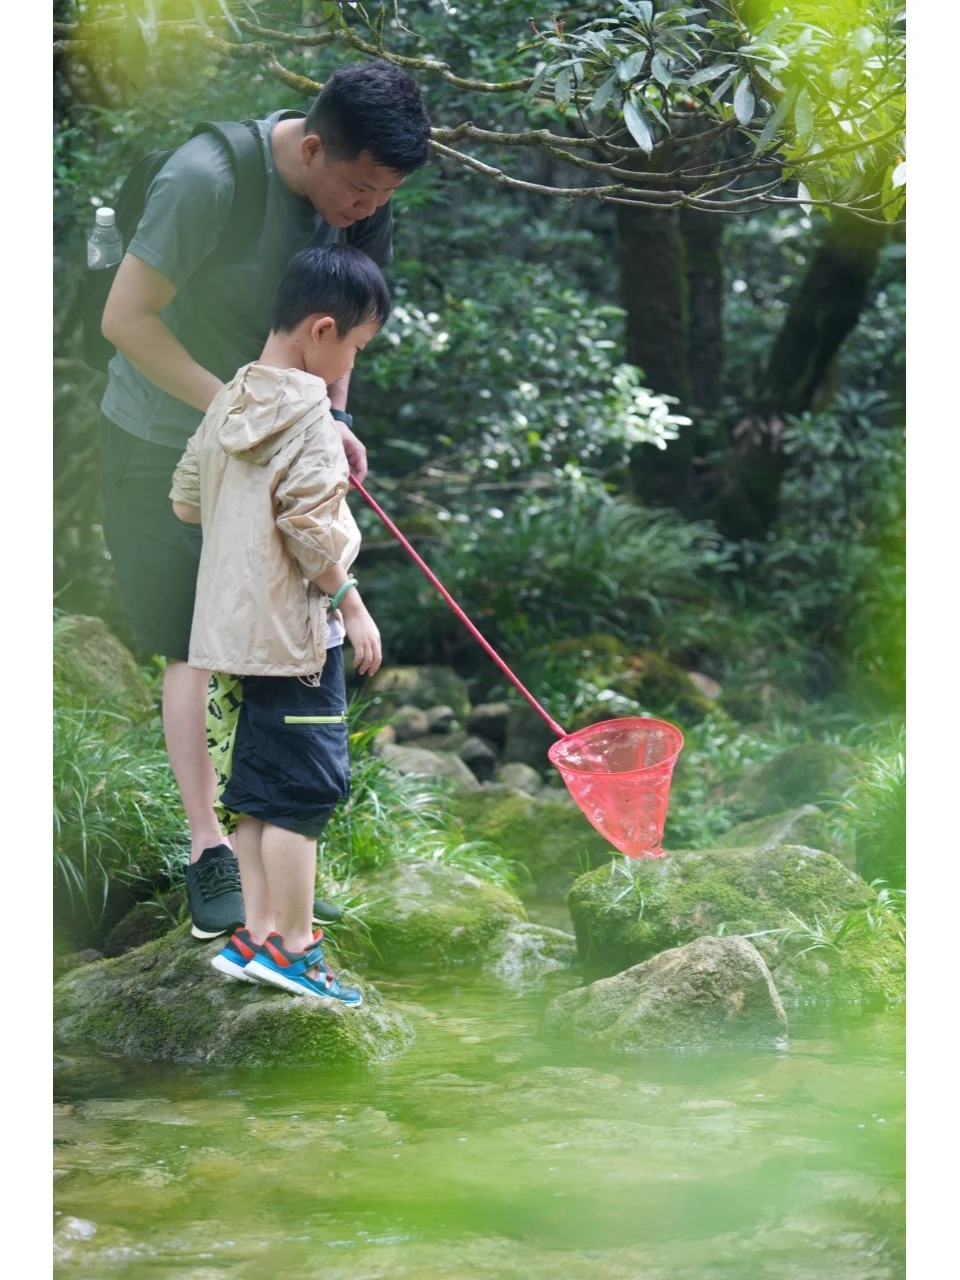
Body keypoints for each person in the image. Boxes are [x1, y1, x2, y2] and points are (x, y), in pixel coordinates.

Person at [97, 61, 430, 938]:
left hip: (275, 436)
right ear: (313, 146)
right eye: (357, 189)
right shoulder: (209, 180)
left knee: (275, 637)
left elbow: (345, 319)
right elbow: (127, 321)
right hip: (162, 436)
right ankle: (208, 850)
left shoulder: (364, 196)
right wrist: (253, 419)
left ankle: (261, 859)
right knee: (192, 644)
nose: (363, 210)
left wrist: (330, 419)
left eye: (381, 195)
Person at [169, 244, 386, 1002]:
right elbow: (311, 528)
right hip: (298, 641)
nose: (349, 364)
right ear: (323, 330)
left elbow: (187, 499)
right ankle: (294, 949)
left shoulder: (230, 398)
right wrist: (351, 604)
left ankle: (255, 937)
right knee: (303, 798)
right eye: (356, 348)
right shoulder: (311, 416)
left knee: (260, 795)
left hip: (235, 636)